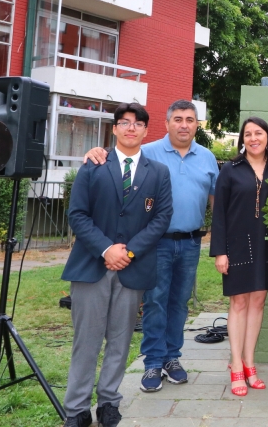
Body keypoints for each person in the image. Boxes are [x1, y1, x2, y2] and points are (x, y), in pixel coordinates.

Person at [84, 100, 220, 393]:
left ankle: (172, 358)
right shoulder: (148, 152)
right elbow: (120, 159)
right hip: (154, 242)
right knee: (155, 302)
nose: (184, 125)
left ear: (197, 125)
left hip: (191, 242)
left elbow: (216, 202)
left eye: (190, 120)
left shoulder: (208, 158)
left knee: (179, 302)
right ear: (167, 123)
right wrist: (97, 152)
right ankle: (153, 363)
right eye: (178, 119)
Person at [61, 103, 173, 427]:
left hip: (132, 269)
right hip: (91, 267)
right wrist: (107, 249)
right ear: (114, 128)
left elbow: (162, 217)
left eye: (137, 124)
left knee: (120, 341)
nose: (130, 128)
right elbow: (77, 215)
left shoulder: (158, 172)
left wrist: (129, 251)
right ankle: (77, 409)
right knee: (87, 341)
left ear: (146, 131)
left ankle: (109, 402)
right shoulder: (93, 166)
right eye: (124, 123)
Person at [210, 117, 268, 396]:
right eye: (248, 134)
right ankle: (236, 365)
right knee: (239, 302)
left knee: (258, 301)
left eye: (258, 133)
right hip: (237, 244)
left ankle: (250, 363)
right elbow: (219, 214)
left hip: (267, 244)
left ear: (267, 137)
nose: (253, 138)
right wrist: (220, 252)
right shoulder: (231, 169)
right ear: (242, 140)